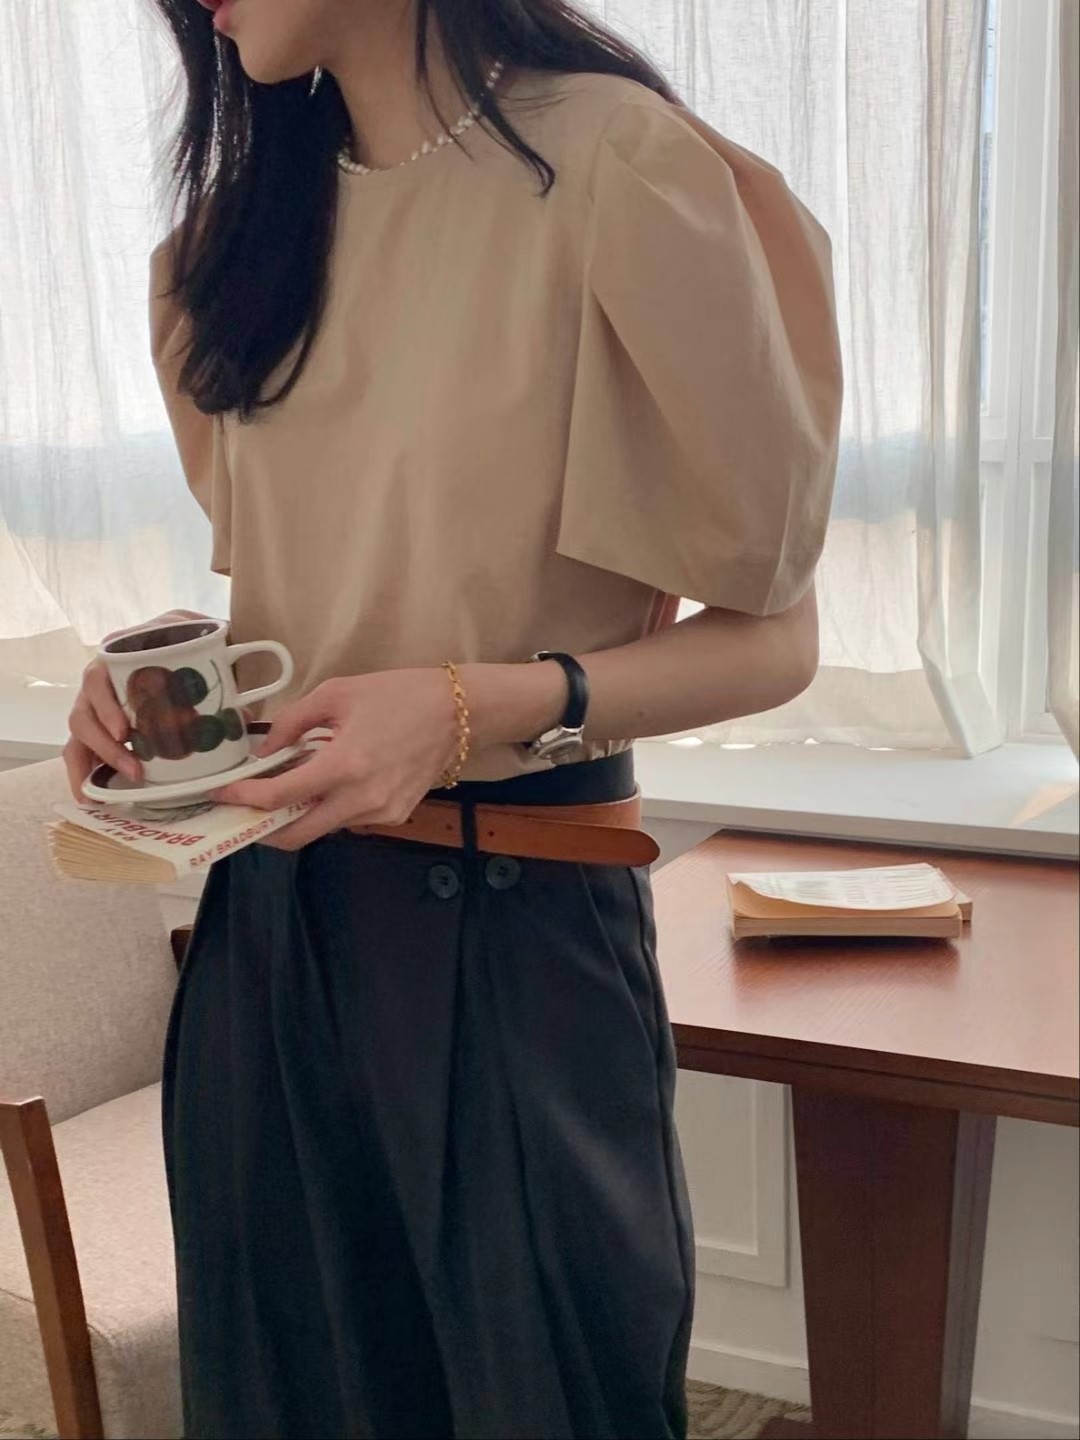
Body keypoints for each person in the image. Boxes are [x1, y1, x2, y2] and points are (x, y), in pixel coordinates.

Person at [63, 0, 842, 1434]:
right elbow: (316, 600)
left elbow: (777, 634)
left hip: (516, 924)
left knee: (549, 1399)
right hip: (266, 944)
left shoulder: (621, 165)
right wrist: (152, 685)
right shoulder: (227, 245)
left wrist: (473, 706)